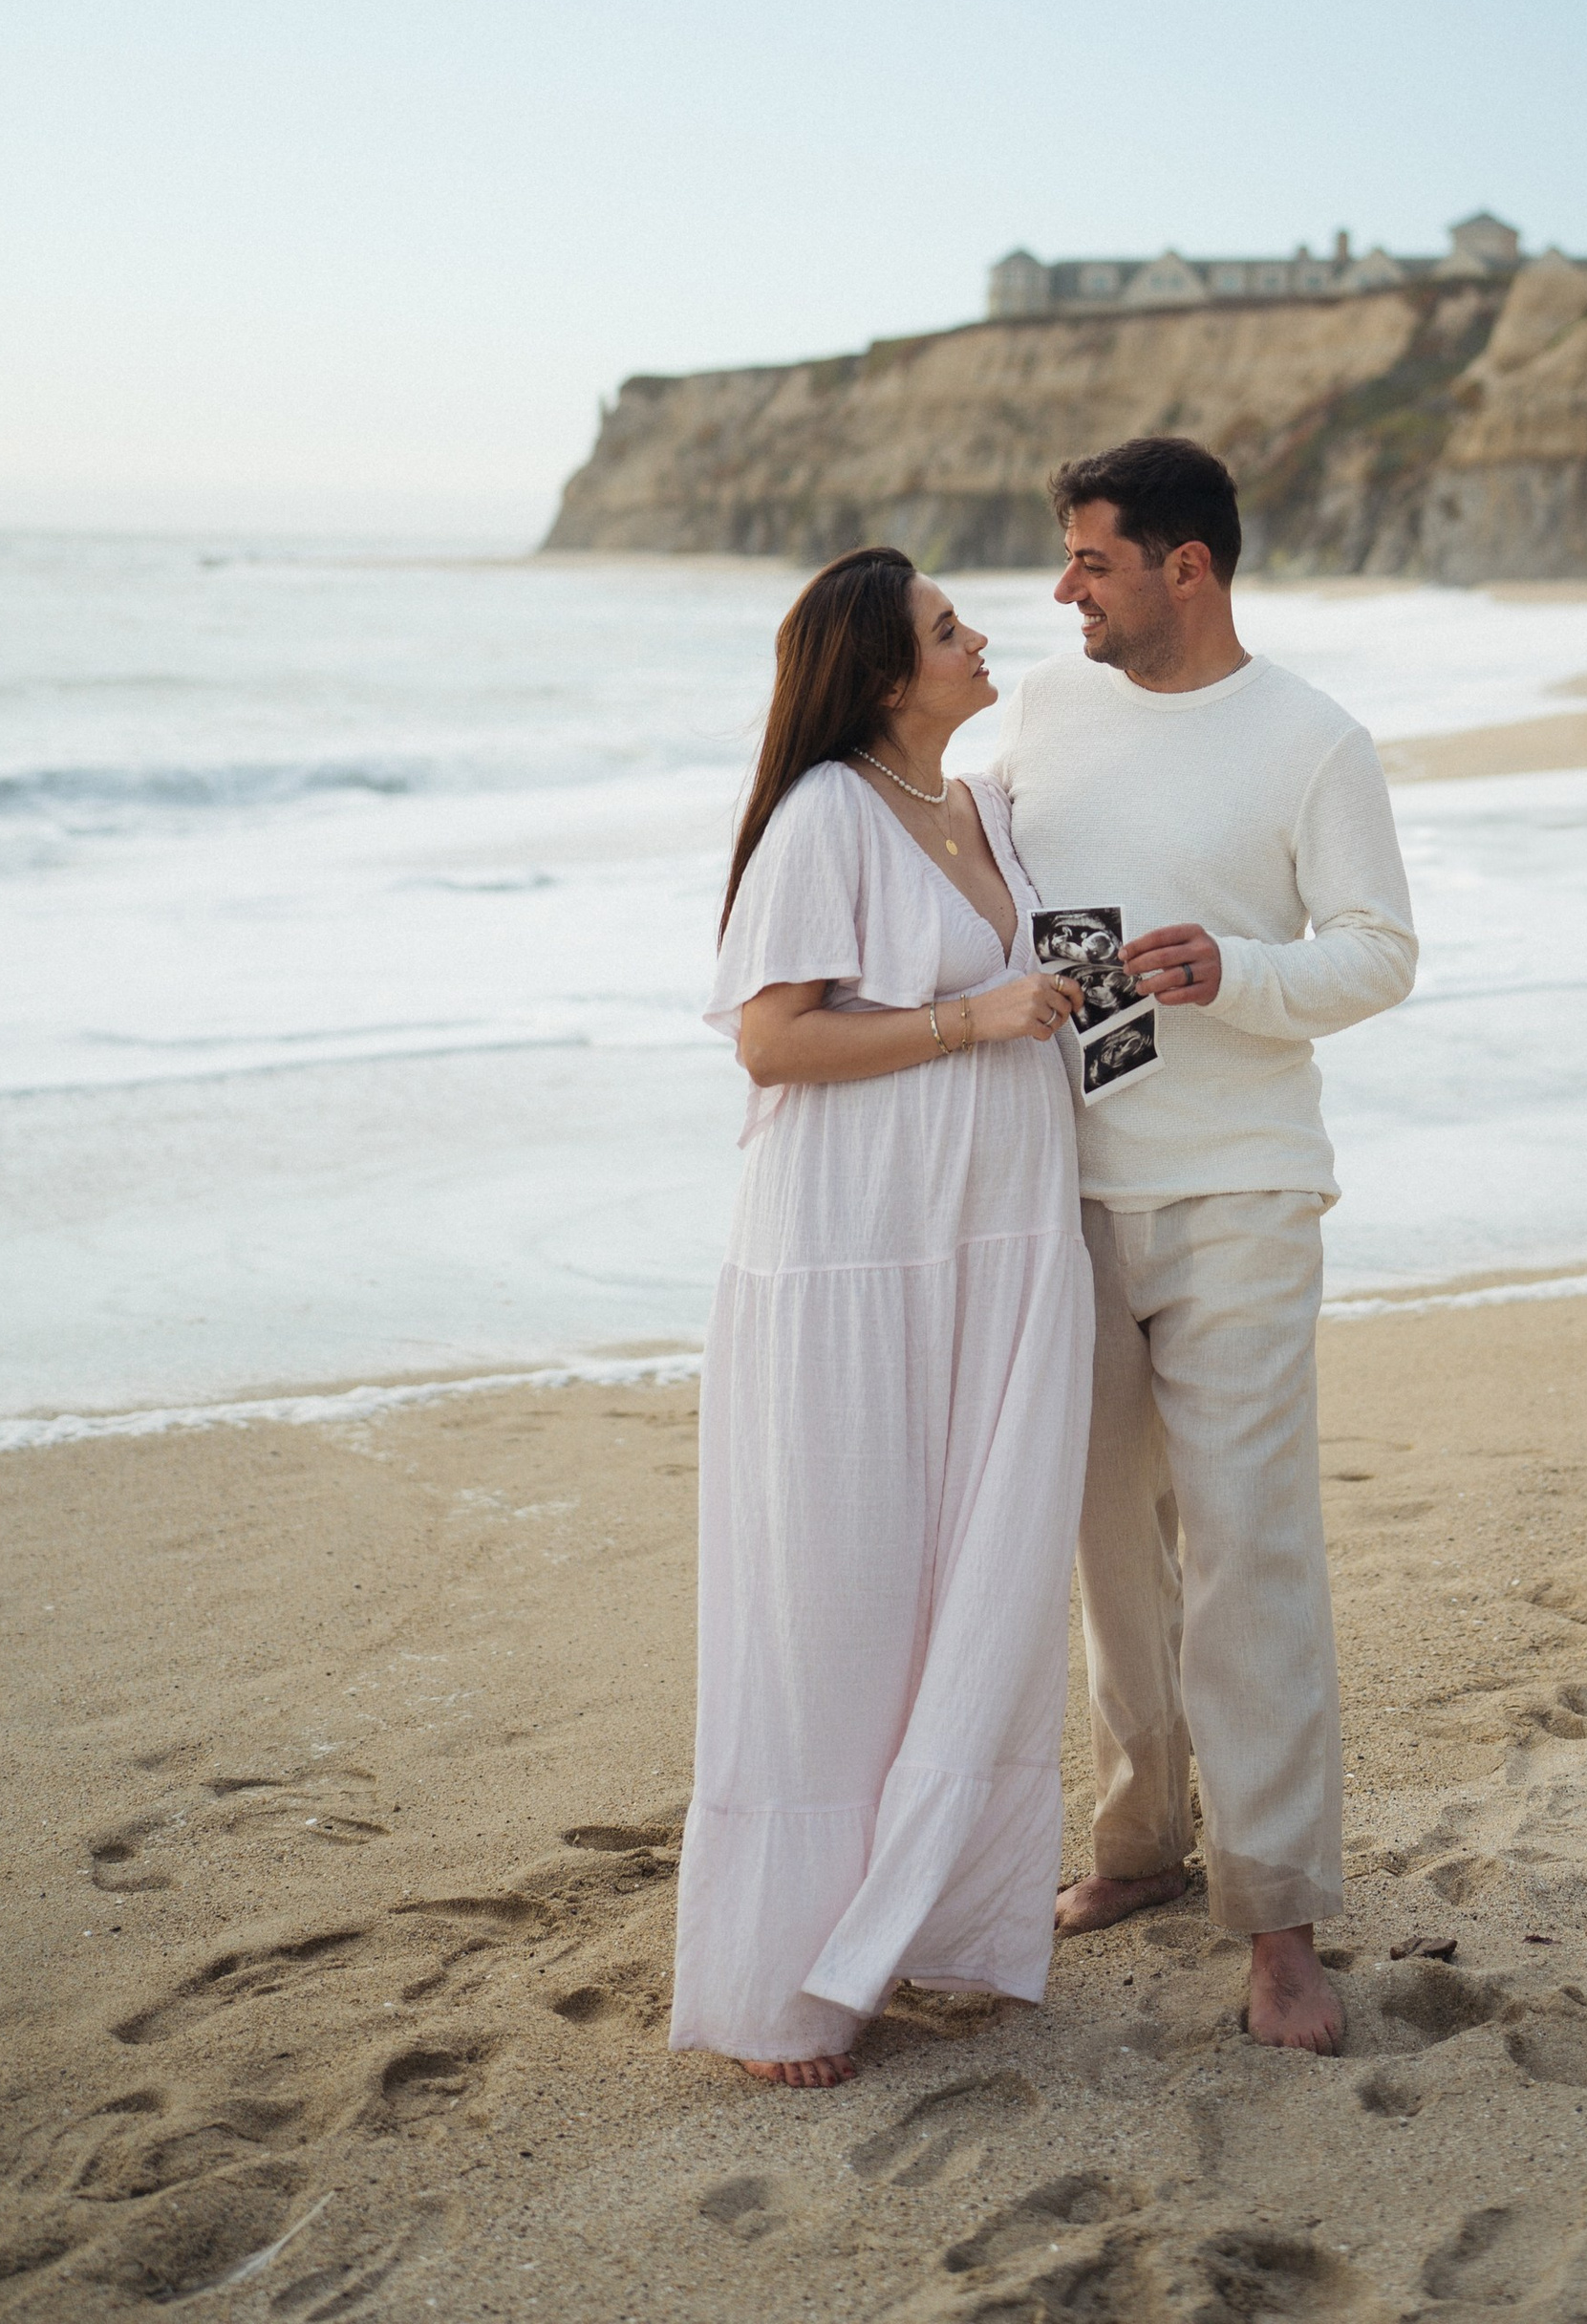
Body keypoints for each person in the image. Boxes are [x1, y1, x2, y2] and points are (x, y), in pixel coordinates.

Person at [988, 436, 1418, 2054]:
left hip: (1243, 1188)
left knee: (1248, 1547)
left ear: (1190, 567)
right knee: (1112, 1542)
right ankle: (1138, 1847)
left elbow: (1380, 955)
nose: (1065, 589)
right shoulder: (1036, 707)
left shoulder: (1314, 741)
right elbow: (960, 872)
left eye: (1094, 559)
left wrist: (1235, 970)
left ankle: (1280, 1923)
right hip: (1057, 1185)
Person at [668, 547, 1091, 2086]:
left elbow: (1023, 991)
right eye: (946, 627)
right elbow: (774, 1043)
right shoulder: (824, 814)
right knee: (838, 1604)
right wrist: (972, 1017)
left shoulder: (977, 808)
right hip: (854, 1258)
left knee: (979, 1586)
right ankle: (787, 1977)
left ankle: (916, 1918)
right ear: (882, 678)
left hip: (1003, 1247)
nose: (981, 638)